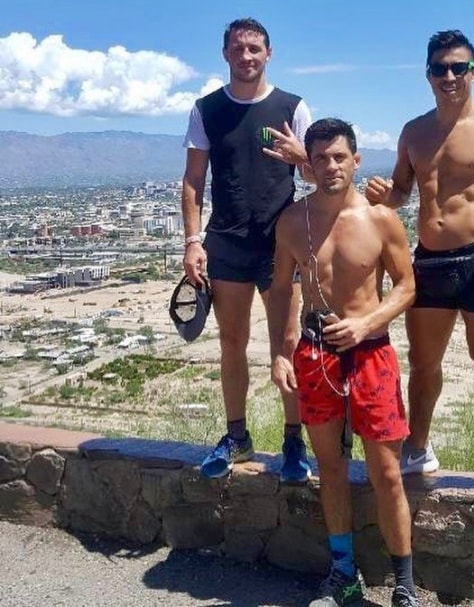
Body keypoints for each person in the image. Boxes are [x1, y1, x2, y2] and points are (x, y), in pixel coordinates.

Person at [365, 29, 474, 514]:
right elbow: (403, 191)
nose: (449, 76)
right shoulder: (413, 132)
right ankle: (417, 447)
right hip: (432, 259)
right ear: (427, 74)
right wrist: (386, 195)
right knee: (423, 365)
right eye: (440, 68)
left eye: (459, 67)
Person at [268, 118, 420, 607]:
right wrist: (278, 350)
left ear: (356, 161)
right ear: (307, 165)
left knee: (387, 472)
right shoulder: (292, 222)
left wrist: (365, 322)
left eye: (339, 157)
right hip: (315, 356)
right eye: (320, 158)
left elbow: (407, 286)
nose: (330, 166)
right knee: (330, 468)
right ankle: (343, 576)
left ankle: (405, 585)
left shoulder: (380, 220)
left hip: (370, 351)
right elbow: (281, 290)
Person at [181, 17, 313, 483]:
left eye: (255, 48)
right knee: (232, 343)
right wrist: (193, 241)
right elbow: (194, 180)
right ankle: (237, 436)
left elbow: (321, 177)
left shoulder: (293, 107)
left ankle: (294, 443)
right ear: (225, 54)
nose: (247, 56)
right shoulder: (207, 110)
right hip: (228, 243)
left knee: (289, 344)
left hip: (281, 246)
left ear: (269, 53)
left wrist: (304, 159)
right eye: (238, 48)